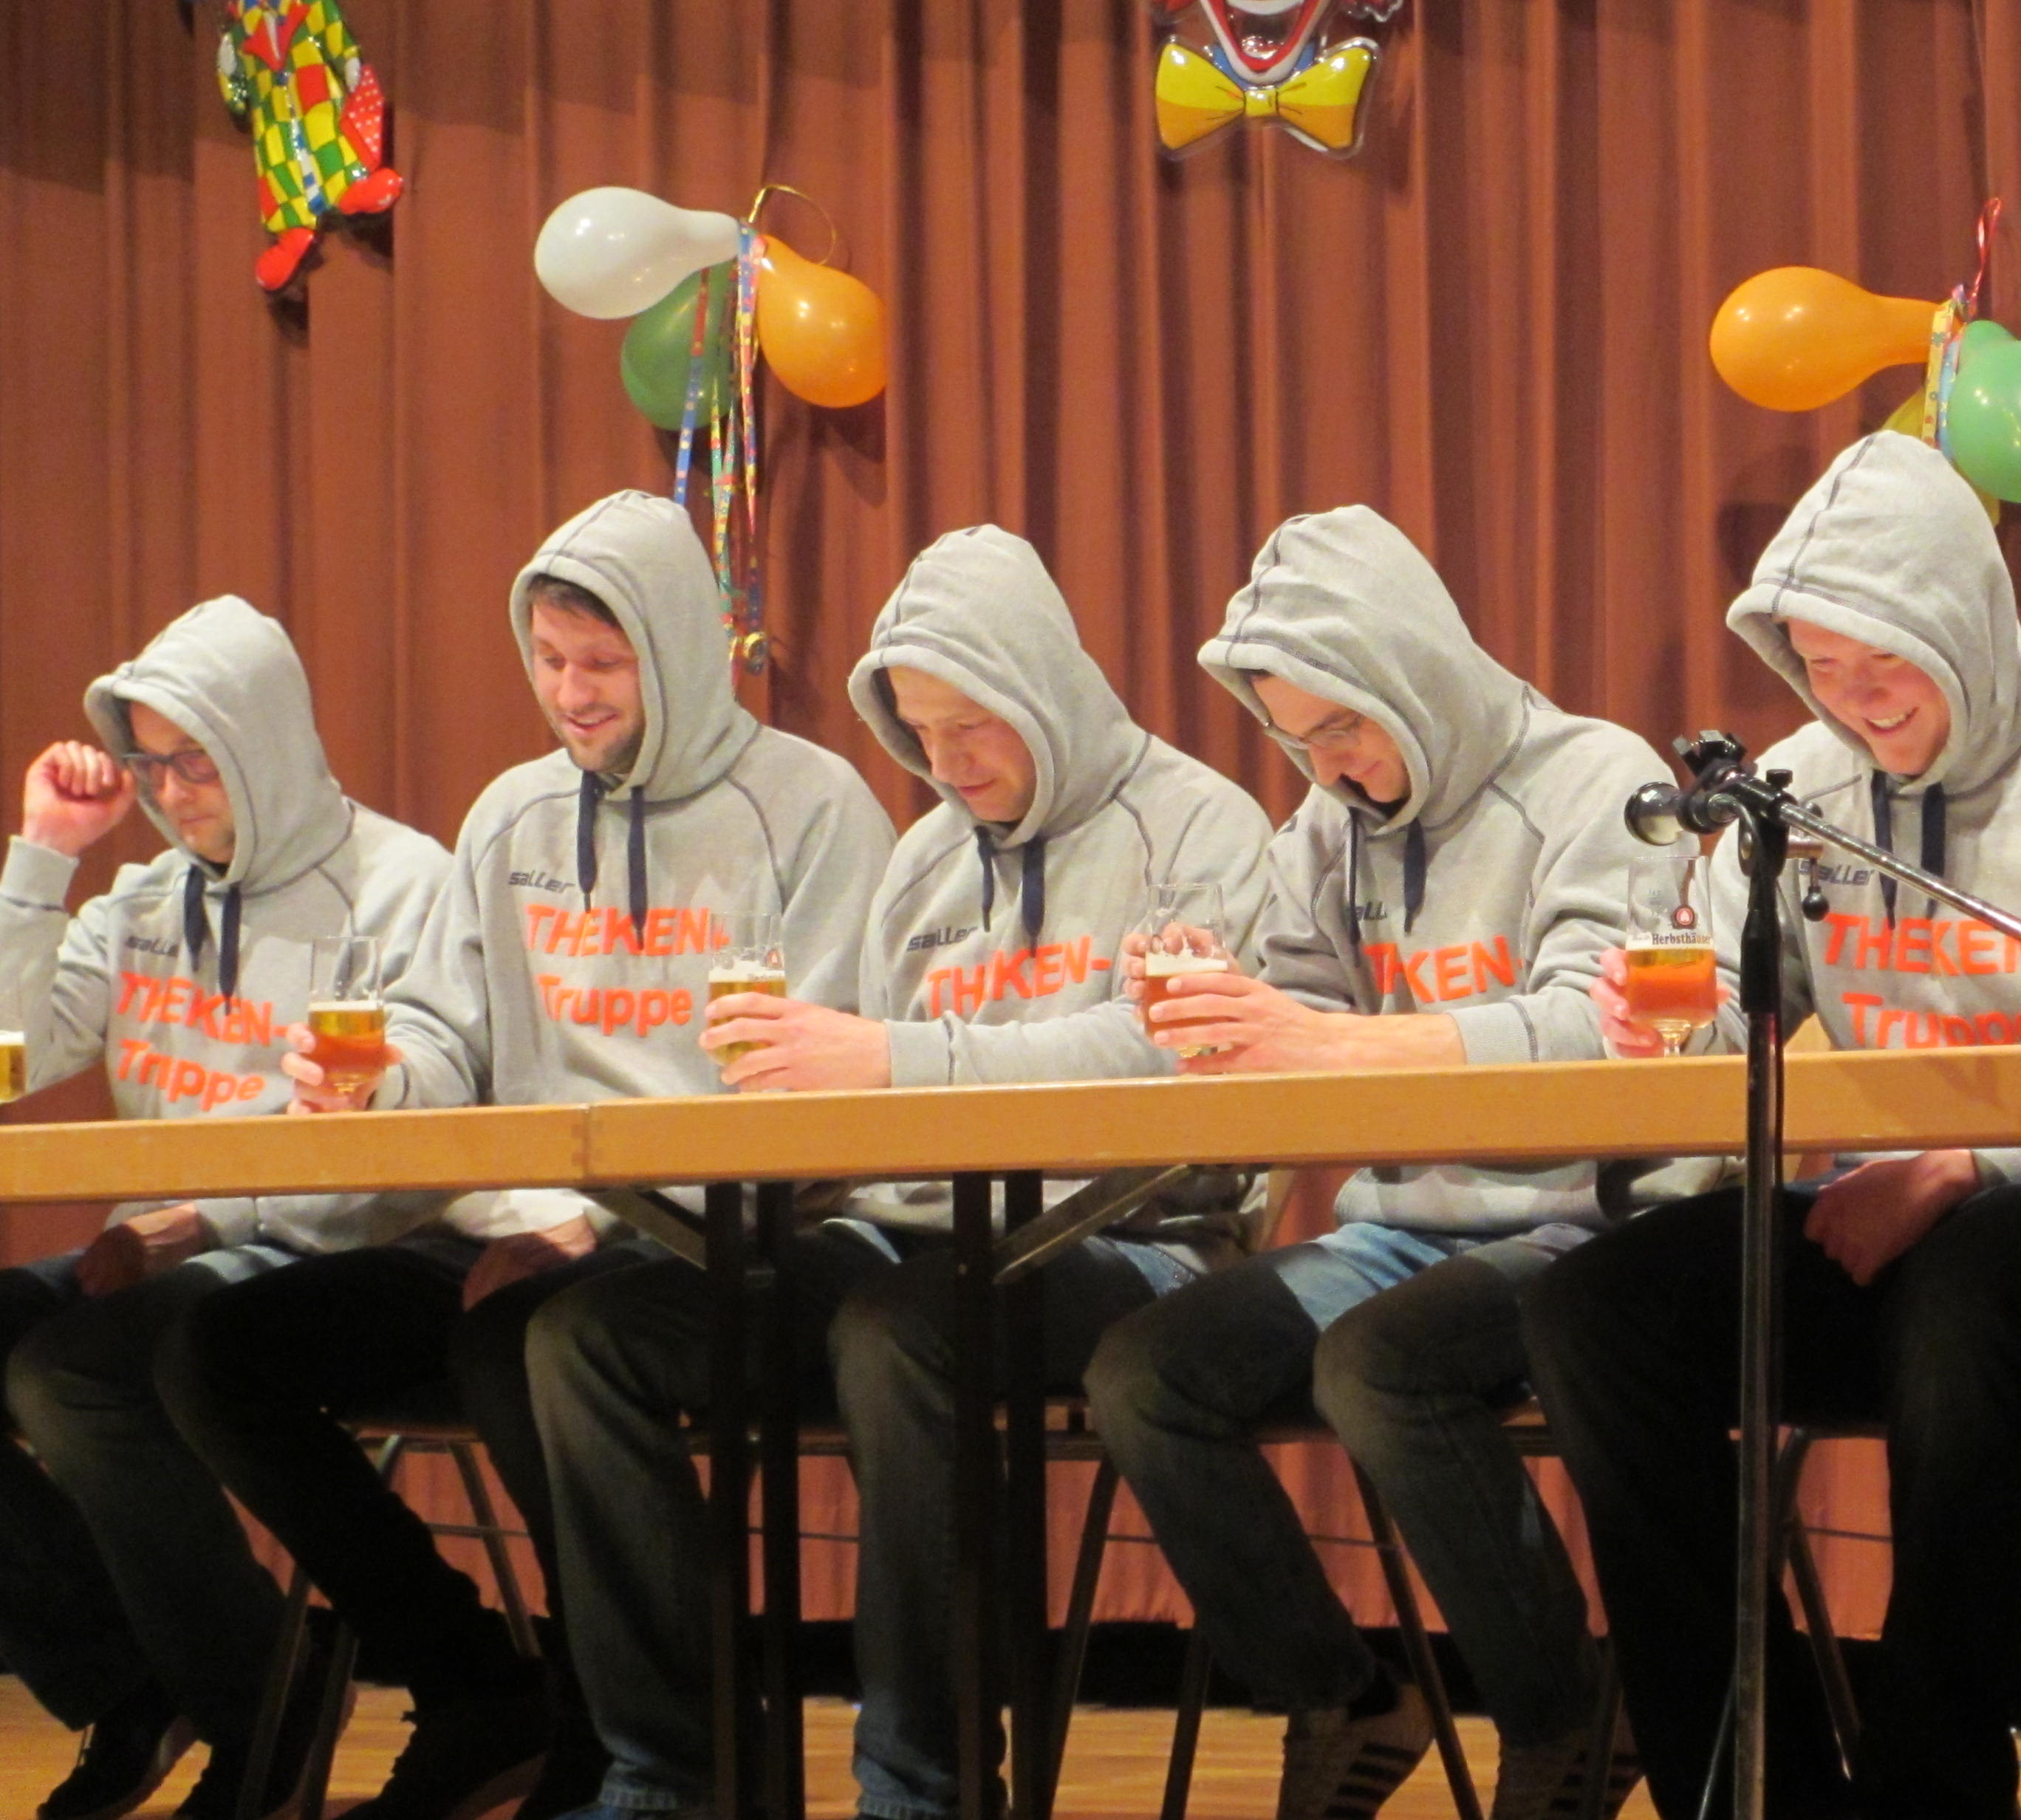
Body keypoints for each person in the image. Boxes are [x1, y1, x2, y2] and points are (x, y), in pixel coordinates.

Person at [1519, 431, 2021, 1820]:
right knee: (1597, 1310)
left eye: (1887, 664)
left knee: (1979, 1268)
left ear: (1965, 627)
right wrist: (1662, 1019)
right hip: (1881, 1218)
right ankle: (1752, 1787)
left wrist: (1972, 1161)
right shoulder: (1798, 789)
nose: (1856, 703)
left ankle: (1936, 1786)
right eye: (1822, 670)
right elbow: (1728, 990)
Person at [151, 490, 895, 1820]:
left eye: (603, 663)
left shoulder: (811, 804)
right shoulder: (512, 815)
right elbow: (449, 1030)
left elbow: (825, 1079)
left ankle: (660, 1748)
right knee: (218, 1350)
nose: (570, 694)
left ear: (678, 651)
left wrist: (601, 1219)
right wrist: (386, 1082)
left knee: (528, 1343)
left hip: (727, 1240)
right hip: (520, 1226)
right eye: (548, 660)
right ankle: (473, 1683)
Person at [521, 525, 1276, 1820]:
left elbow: (1165, 1052)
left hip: (1139, 1243)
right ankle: (671, 1769)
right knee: (588, 1339)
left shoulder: (1197, 824)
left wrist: (891, 1058)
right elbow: (868, 1096)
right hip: (920, 1233)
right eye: (920, 734)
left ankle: (921, 1786)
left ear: (1047, 689)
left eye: (972, 726)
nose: (946, 761)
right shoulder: (927, 857)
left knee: (896, 1332)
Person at [1084, 505, 1711, 1820]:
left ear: (1412, 671)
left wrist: (1315, 1040)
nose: (1331, 766)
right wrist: (1212, 1008)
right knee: (1144, 1376)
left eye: (1345, 726)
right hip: (1399, 1226)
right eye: (1298, 742)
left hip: (1585, 1219)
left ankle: (1565, 1718)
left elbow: (1590, 1029)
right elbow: (1294, 1015)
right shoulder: (1327, 827)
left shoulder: (1598, 781)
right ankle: (1345, 1695)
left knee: (1379, 1365)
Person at [0, 599, 451, 1820]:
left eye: (195, 761)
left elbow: (421, 1127)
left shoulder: (402, 882)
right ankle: (128, 1680)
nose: (170, 792)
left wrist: (205, 1215)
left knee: (66, 1371)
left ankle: (263, 1701)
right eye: (149, 765)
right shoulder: (142, 901)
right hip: (163, 1246)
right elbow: (6, 1054)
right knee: (46, 1347)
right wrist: (45, 856)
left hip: (333, 1248)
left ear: (267, 740)